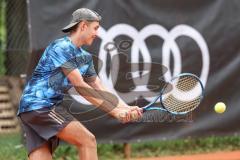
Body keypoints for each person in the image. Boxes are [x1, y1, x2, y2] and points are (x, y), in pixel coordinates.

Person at [18, 8, 142, 160]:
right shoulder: (61, 47)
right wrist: (115, 112)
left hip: (31, 109)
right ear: (83, 26)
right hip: (40, 107)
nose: (96, 33)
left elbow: (100, 87)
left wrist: (125, 107)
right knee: (87, 141)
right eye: (95, 28)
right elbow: (80, 86)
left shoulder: (85, 58)